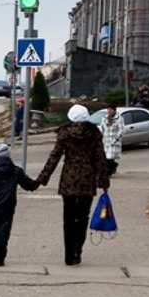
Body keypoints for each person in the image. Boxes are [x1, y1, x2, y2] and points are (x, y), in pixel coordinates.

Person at [35, 103, 111, 266]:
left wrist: (42, 178)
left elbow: (54, 157)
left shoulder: (64, 133)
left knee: (68, 218)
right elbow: (100, 159)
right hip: (87, 178)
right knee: (83, 217)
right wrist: (104, 181)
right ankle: (78, 250)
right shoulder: (94, 133)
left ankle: (68, 255)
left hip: (69, 178)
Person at [99, 105, 123, 176]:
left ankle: (108, 172)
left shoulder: (119, 118)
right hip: (105, 141)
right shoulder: (104, 118)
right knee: (105, 158)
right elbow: (102, 128)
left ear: (114, 110)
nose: (109, 111)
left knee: (109, 158)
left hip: (114, 142)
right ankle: (113, 166)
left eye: (111, 110)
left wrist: (115, 139)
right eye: (108, 109)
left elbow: (121, 131)